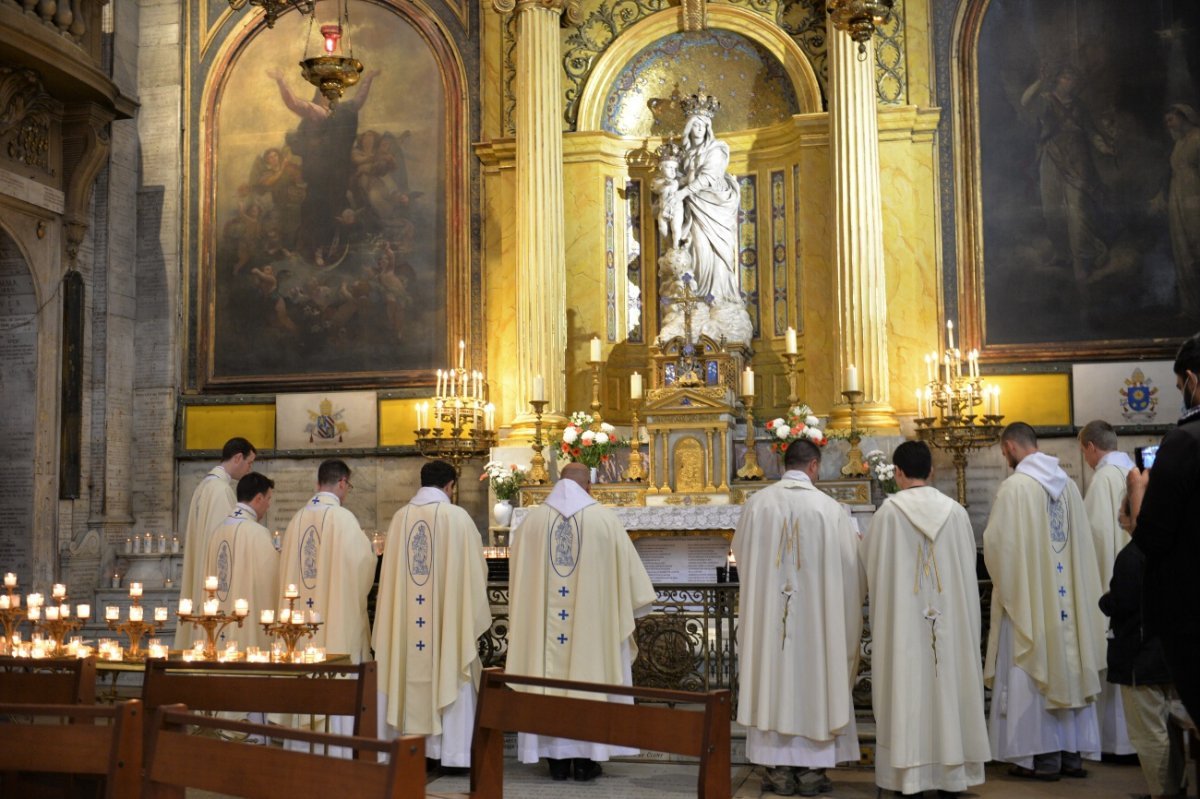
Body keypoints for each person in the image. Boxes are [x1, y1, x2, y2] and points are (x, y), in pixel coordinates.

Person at [505, 462, 656, 782]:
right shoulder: (604, 520)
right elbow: (631, 582)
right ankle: (588, 759)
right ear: (588, 486)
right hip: (594, 634)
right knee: (594, 677)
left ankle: (555, 760)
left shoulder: (532, 522)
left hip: (543, 632)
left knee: (544, 683)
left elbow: (518, 581)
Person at [733, 438, 864, 797]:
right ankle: (810, 771)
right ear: (814, 467)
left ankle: (776, 771)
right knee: (813, 679)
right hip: (816, 626)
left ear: (782, 465)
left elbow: (742, 557)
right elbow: (851, 569)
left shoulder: (757, 506)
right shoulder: (830, 510)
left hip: (770, 621)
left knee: (773, 678)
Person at [861, 441, 989, 797]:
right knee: (949, 685)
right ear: (931, 471)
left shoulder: (887, 515)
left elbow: (869, 564)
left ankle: (910, 779)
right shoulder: (956, 512)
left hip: (904, 629)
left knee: (907, 687)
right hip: (950, 626)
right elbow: (967, 567)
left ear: (898, 473)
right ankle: (952, 776)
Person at [983, 421, 1105, 780]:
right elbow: (1083, 545)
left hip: (1030, 603)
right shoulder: (1068, 485)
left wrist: (1012, 587)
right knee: (1067, 664)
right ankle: (1070, 755)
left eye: (1004, 451)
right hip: (1067, 603)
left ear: (1009, 446)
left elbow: (997, 547)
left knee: (1030, 665)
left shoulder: (1014, 488)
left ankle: (1040, 757)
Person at [372, 460, 491, 767]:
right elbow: (477, 571)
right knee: (450, 664)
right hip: (445, 624)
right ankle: (452, 753)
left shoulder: (400, 519)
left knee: (406, 666)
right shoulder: (458, 518)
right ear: (450, 486)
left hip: (407, 627)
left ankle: (415, 750)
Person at [1127, 331, 1200, 723]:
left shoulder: (1184, 442)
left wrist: (1138, 494)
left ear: (1192, 380)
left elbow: (1153, 538)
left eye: (1179, 386)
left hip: (1191, 615)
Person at [1099, 539, 1186, 798]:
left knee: (1150, 734)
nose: (1118, 515)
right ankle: (1175, 787)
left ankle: (1163, 792)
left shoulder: (1133, 555)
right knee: (1168, 730)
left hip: (1140, 657)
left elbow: (1124, 601)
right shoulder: (1173, 548)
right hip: (1168, 654)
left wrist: (1106, 601)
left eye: (1123, 511)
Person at [1078, 418, 1137, 756]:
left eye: (1083, 452)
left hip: (1114, 583)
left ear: (1090, 447)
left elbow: (1095, 539)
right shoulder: (1132, 470)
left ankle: (1117, 744)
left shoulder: (1102, 480)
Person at [277, 459, 375, 663]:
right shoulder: (343, 518)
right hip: (334, 613)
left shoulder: (297, 519)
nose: (347, 491)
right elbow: (362, 565)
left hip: (298, 617)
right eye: (348, 486)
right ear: (342, 482)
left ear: (318, 484)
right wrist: (374, 552)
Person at [175, 437, 257, 648]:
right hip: (214, 577)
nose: (249, 470)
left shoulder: (204, 486)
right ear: (238, 457)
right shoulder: (221, 490)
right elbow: (225, 541)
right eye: (249, 463)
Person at [663, 102, 742, 306]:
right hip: (695, 209)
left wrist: (682, 193)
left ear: (708, 128)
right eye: (695, 125)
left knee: (715, 255)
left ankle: (716, 296)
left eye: (702, 125)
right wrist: (674, 188)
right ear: (689, 127)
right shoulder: (687, 153)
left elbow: (707, 179)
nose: (698, 129)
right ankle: (698, 297)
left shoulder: (717, 150)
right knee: (698, 249)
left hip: (714, 206)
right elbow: (684, 178)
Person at [205, 471, 279, 651]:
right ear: (259, 498)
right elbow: (271, 579)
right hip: (245, 621)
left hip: (218, 616)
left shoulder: (218, 530)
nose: (269, 505)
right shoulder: (257, 533)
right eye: (268, 499)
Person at [1162, 105, 1200, 317]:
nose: (1168, 123)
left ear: (1183, 116)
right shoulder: (1178, 143)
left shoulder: (1198, 138)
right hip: (1178, 197)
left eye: (1171, 119)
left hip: (1195, 195)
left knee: (1197, 244)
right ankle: (1191, 305)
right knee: (1182, 248)